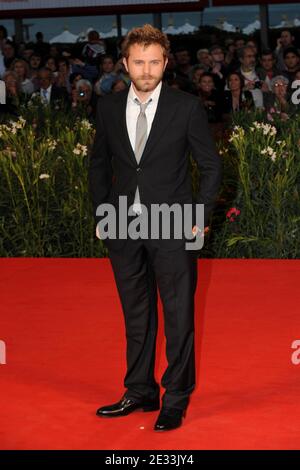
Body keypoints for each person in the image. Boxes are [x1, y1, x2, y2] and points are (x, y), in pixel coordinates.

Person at [88, 24, 221, 432]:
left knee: (178, 314)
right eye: (139, 61)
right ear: (125, 63)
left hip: (175, 224)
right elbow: (98, 164)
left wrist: (198, 217)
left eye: (154, 62)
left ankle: (175, 398)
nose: (146, 70)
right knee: (136, 313)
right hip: (123, 225)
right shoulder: (108, 108)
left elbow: (212, 165)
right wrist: (101, 214)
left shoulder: (185, 107)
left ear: (165, 63)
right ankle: (140, 390)